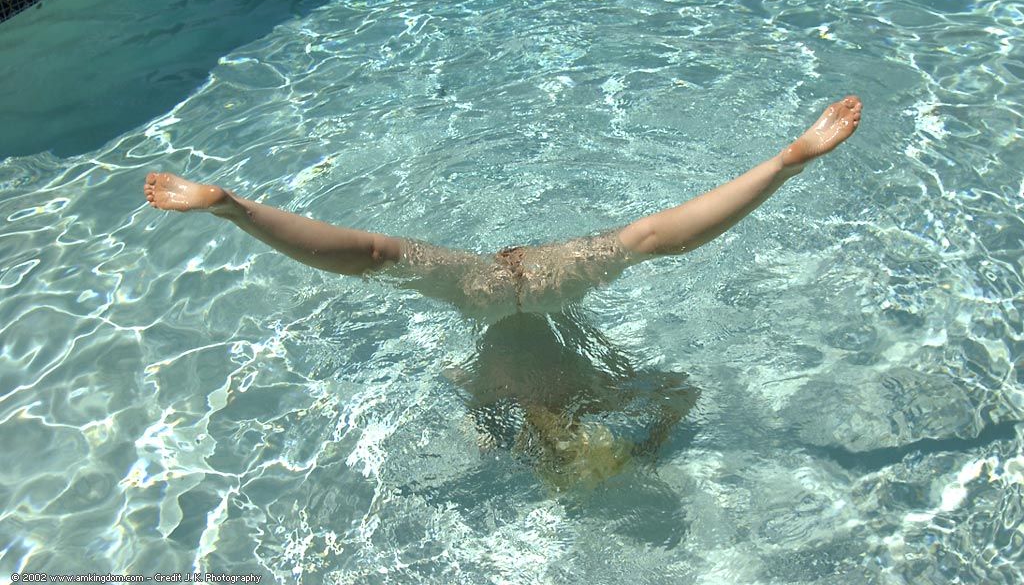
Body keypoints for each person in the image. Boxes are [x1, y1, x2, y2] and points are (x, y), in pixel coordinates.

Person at [143, 95, 862, 488]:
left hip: (537, 287)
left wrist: (650, 443)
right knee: (375, 256)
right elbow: (677, 391)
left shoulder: (587, 401)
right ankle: (235, 209)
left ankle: (784, 164)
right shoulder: (495, 416)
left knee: (648, 239)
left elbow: (678, 391)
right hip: (490, 296)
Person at [143, 96, 862, 320]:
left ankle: (238, 210)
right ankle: (782, 165)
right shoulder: (546, 400)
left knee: (377, 256)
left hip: (502, 291)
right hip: (524, 288)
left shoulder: (507, 406)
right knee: (645, 239)